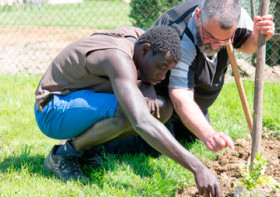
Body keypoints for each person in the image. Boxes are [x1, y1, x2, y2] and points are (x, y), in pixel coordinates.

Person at [34, 26, 223, 196]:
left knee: (161, 108)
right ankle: (62, 155)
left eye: (167, 71)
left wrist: (148, 82)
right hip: (52, 109)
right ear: (146, 50)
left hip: (80, 100)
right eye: (161, 68)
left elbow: (144, 79)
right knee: (130, 113)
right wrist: (198, 168)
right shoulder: (118, 59)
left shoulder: (139, 38)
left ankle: (87, 147)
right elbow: (140, 121)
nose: (162, 76)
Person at [102, 0, 275, 180]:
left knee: (190, 138)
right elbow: (180, 97)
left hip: (195, 100)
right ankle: (99, 145)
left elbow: (246, 45)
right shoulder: (181, 35)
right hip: (158, 96)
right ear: (198, 15)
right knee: (155, 147)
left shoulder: (234, 18)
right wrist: (209, 135)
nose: (215, 46)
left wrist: (257, 36)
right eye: (209, 37)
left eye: (224, 40)